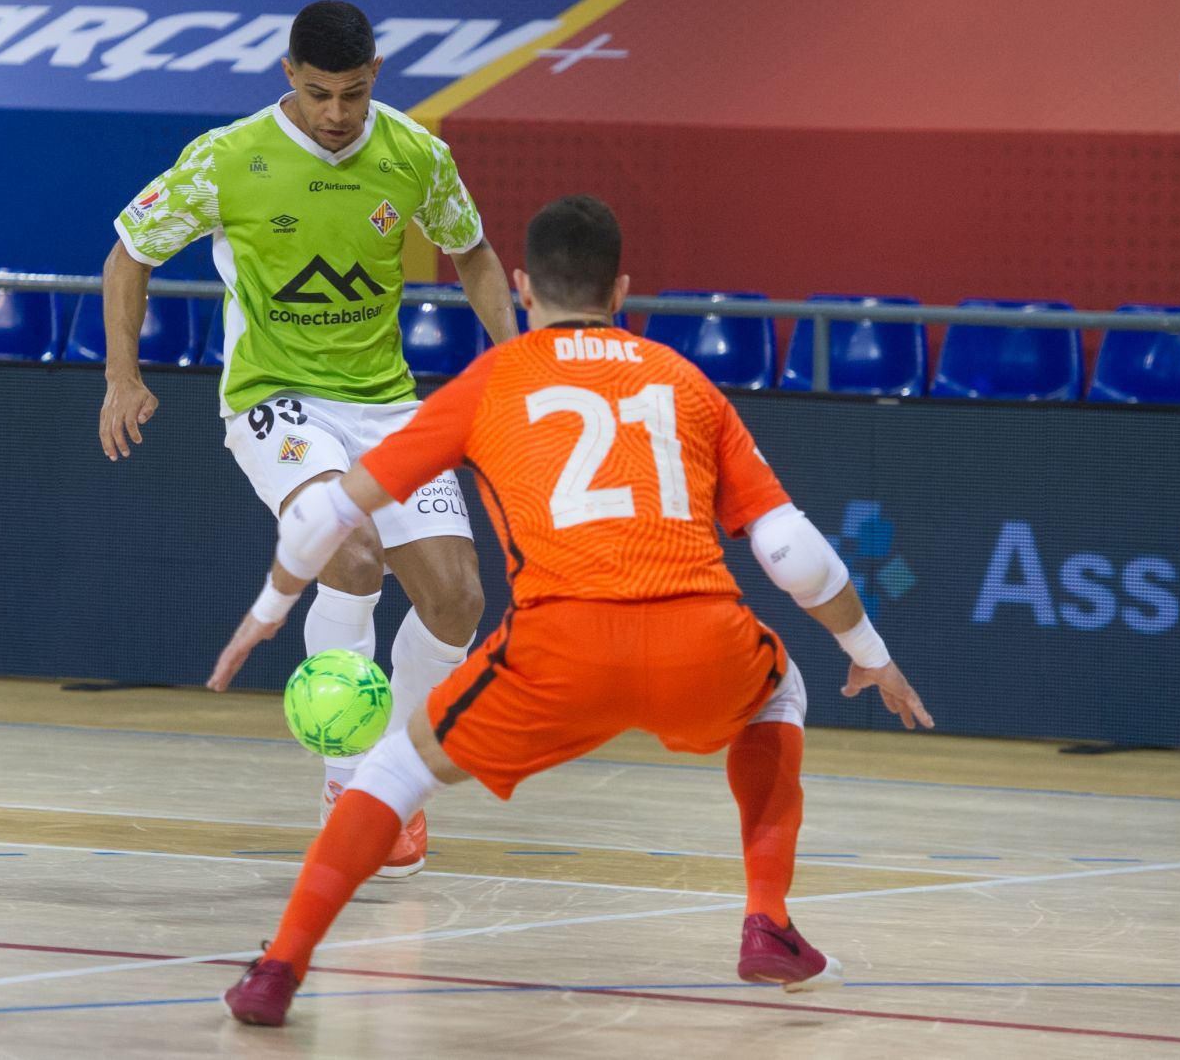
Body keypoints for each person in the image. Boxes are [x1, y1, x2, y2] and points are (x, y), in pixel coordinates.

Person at [207, 195, 935, 1027]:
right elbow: (793, 553)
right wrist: (870, 650)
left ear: (520, 286)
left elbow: (328, 514)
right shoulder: (686, 381)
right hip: (701, 636)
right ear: (621, 287)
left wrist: (269, 607)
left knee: (393, 773)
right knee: (780, 691)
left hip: (559, 649)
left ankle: (277, 970)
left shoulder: (491, 380)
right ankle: (767, 920)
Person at [101, 0, 517, 878]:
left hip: (387, 403)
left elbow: (474, 251)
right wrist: (122, 377)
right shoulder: (226, 159)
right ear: (289, 74)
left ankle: (396, 774)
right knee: (351, 551)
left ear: (377, 77)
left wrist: (517, 359)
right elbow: (129, 253)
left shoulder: (414, 153)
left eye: (354, 94)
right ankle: (348, 779)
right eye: (321, 93)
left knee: (459, 601)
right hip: (275, 398)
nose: (337, 114)